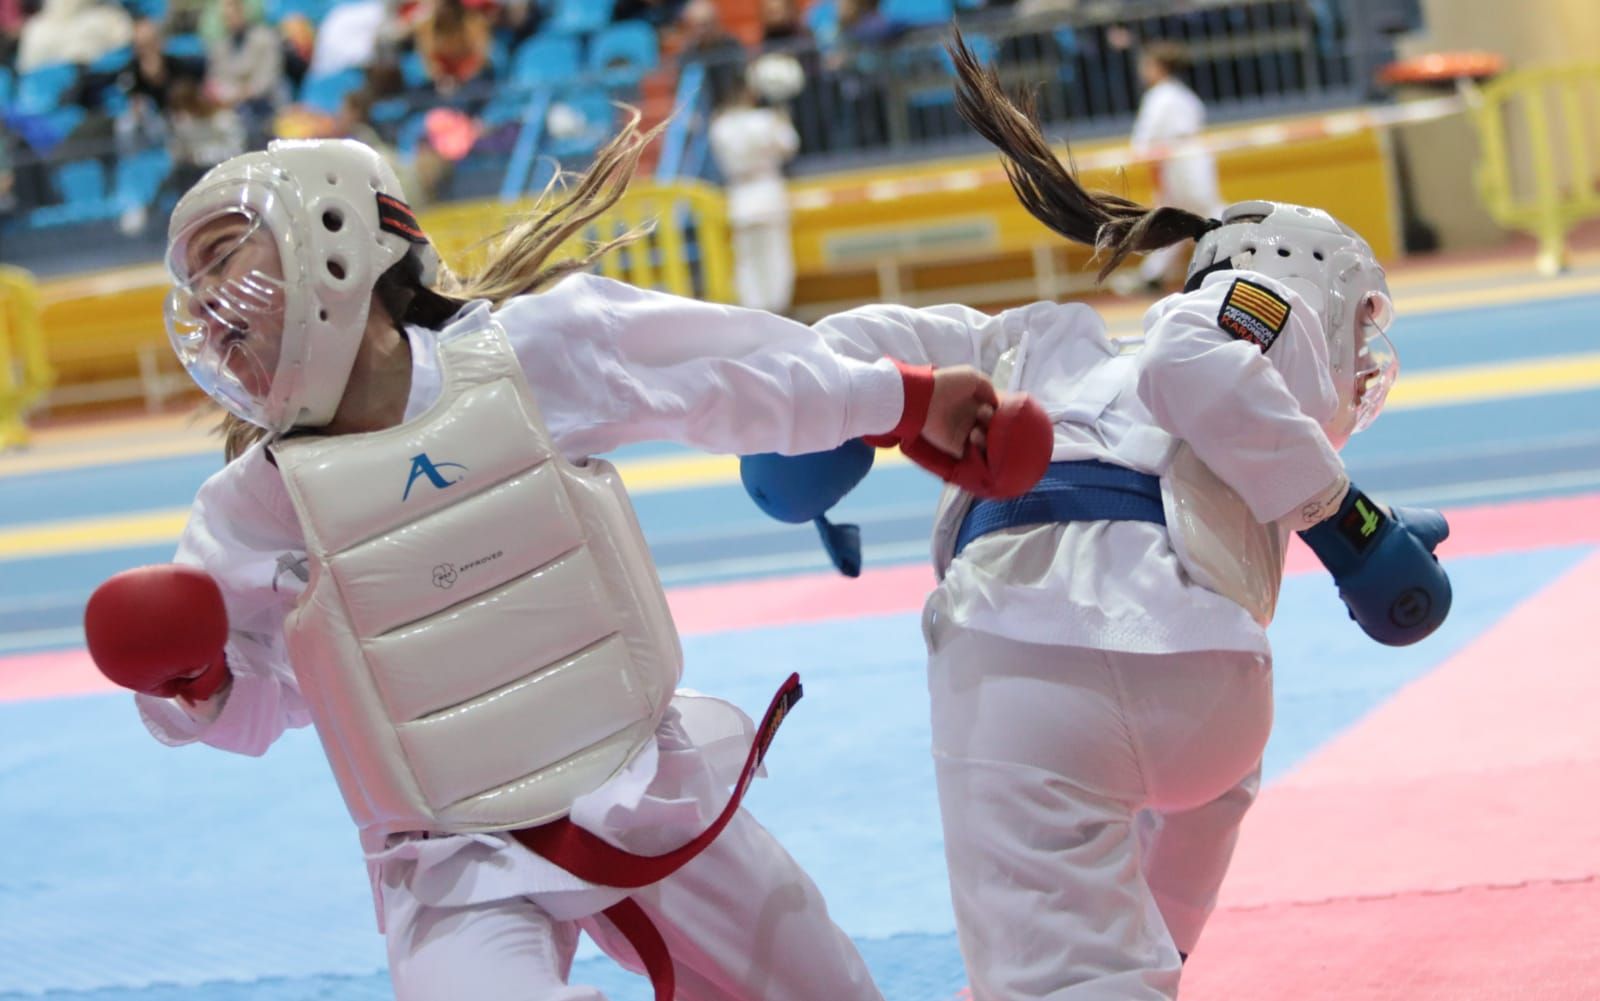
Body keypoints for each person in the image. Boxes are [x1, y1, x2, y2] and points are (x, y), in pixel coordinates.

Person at [81, 115, 1052, 1001]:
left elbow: (734, 374)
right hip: (450, 862)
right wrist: (193, 680)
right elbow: (256, 706)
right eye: (208, 316)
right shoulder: (250, 506)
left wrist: (906, 398)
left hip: (639, 791)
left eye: (238, 290)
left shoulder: (534, 353)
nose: (222, 330)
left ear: (335, 249)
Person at [739, 36, 1453, 1000]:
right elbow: (1194, 370)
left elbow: (848, 348)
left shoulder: (1038, 337)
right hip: (1210, 691)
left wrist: (804, 445)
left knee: (1053, 966)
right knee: (1160, 901)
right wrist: (1352, 528)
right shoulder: (1263, 310)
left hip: (1031, 652)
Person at [1126, 40, 1224, 293]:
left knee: (1207, 212)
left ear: (1159, 67)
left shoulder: (1161, 96)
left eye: (1147, 65)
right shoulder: (1182, 95)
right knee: (1175, 218)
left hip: (1181, 161)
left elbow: (1144, 140)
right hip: (1188, 158)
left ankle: (1242, 250)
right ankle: (1152, 276)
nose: (1143, 70)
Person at [709, 62, 800, 314]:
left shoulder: (720, 124)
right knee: (775, 258)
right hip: (767, 192)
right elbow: (789, 146)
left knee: (747, 262)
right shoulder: (766, 119)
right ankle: (778, 309)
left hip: (740, 197)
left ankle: (754, 313)